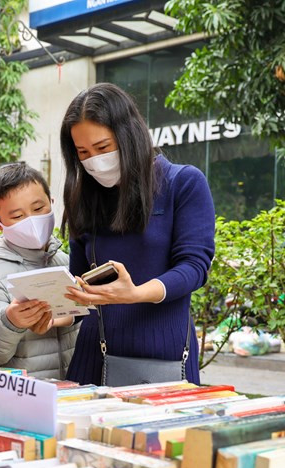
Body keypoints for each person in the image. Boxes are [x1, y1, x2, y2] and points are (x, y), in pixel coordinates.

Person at [61, 83, 215, 385]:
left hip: (162, 357)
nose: (94, 160)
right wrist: (56, 314)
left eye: (103, 147)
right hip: (94, 356)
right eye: (83, 152)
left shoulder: (182, 183)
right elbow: (80, 287)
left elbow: (194, 267)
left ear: (129, 134)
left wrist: (135, 294)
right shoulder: (85, 198)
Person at [0, 162, 79, 379]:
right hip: (27, 392)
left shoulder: (66, 261)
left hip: (74, 389)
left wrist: (74, 316)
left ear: (51, 203)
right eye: (17, 216)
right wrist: (10, 321)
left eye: (38, 208)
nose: (32, 221)